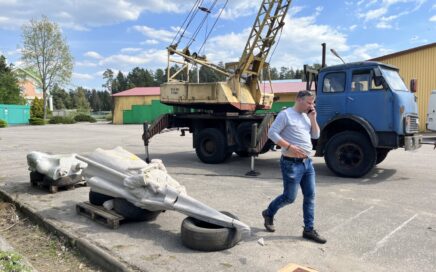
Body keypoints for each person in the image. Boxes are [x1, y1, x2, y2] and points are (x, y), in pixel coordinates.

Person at [261, 90, 326, 244]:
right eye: (309, 102)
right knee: (289, 197)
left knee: (310, 196)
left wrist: (313, 118)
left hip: (307, 163)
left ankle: (308, 230)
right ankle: (269, 213)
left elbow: (316, 136)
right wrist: (289, 146)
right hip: (291, 164)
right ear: (298, 99)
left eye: (313, 103)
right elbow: (272, 133)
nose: (312, 105)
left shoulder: (306, 116)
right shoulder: (286, 115)